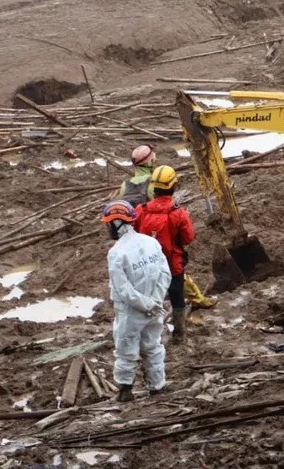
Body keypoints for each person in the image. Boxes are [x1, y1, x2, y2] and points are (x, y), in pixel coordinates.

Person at [103, 199, 170, 403]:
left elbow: (123, 289)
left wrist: (146, 304)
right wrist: (155, 301)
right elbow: (165, 274)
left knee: (126, 351)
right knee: (153, 346)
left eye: (108, 224)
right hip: (154, 308)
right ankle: (157, 387)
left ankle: (125, 391)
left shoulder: (116, 253)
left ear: (115, 223)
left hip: (131, 312)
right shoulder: (151, 243)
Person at [135, 166, 195, 344]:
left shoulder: (141, 210)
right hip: (172, 263)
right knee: (176, 296)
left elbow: (135, 233)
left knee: (150, 297)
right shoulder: (178, 213)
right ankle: (179, 334)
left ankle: (150, 335)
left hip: (146, 265)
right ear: (173, 186)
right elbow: (188, 238)